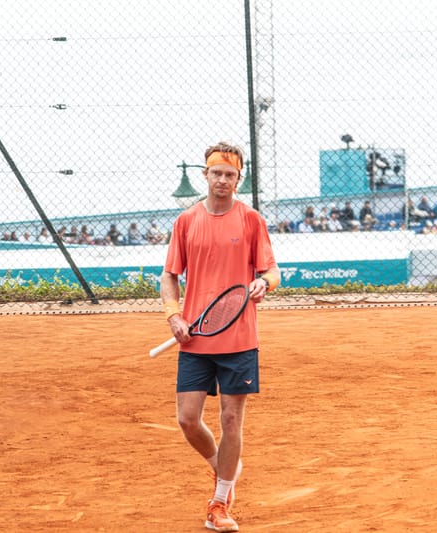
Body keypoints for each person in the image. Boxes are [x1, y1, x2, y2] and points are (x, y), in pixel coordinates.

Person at [159, 141, 280, 533]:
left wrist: (263, 282)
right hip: (194, 339)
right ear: (206, 175)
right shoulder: (186, 221)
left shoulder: (251, 221)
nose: (223, 180)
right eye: (217, 173)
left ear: (238, 178)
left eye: (230, 174)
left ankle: (219, 503)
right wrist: (173, 315)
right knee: (188, 421)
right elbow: (169, 276)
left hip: (240, 339)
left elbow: (273, 272)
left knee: (231, 420)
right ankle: (224, 467)